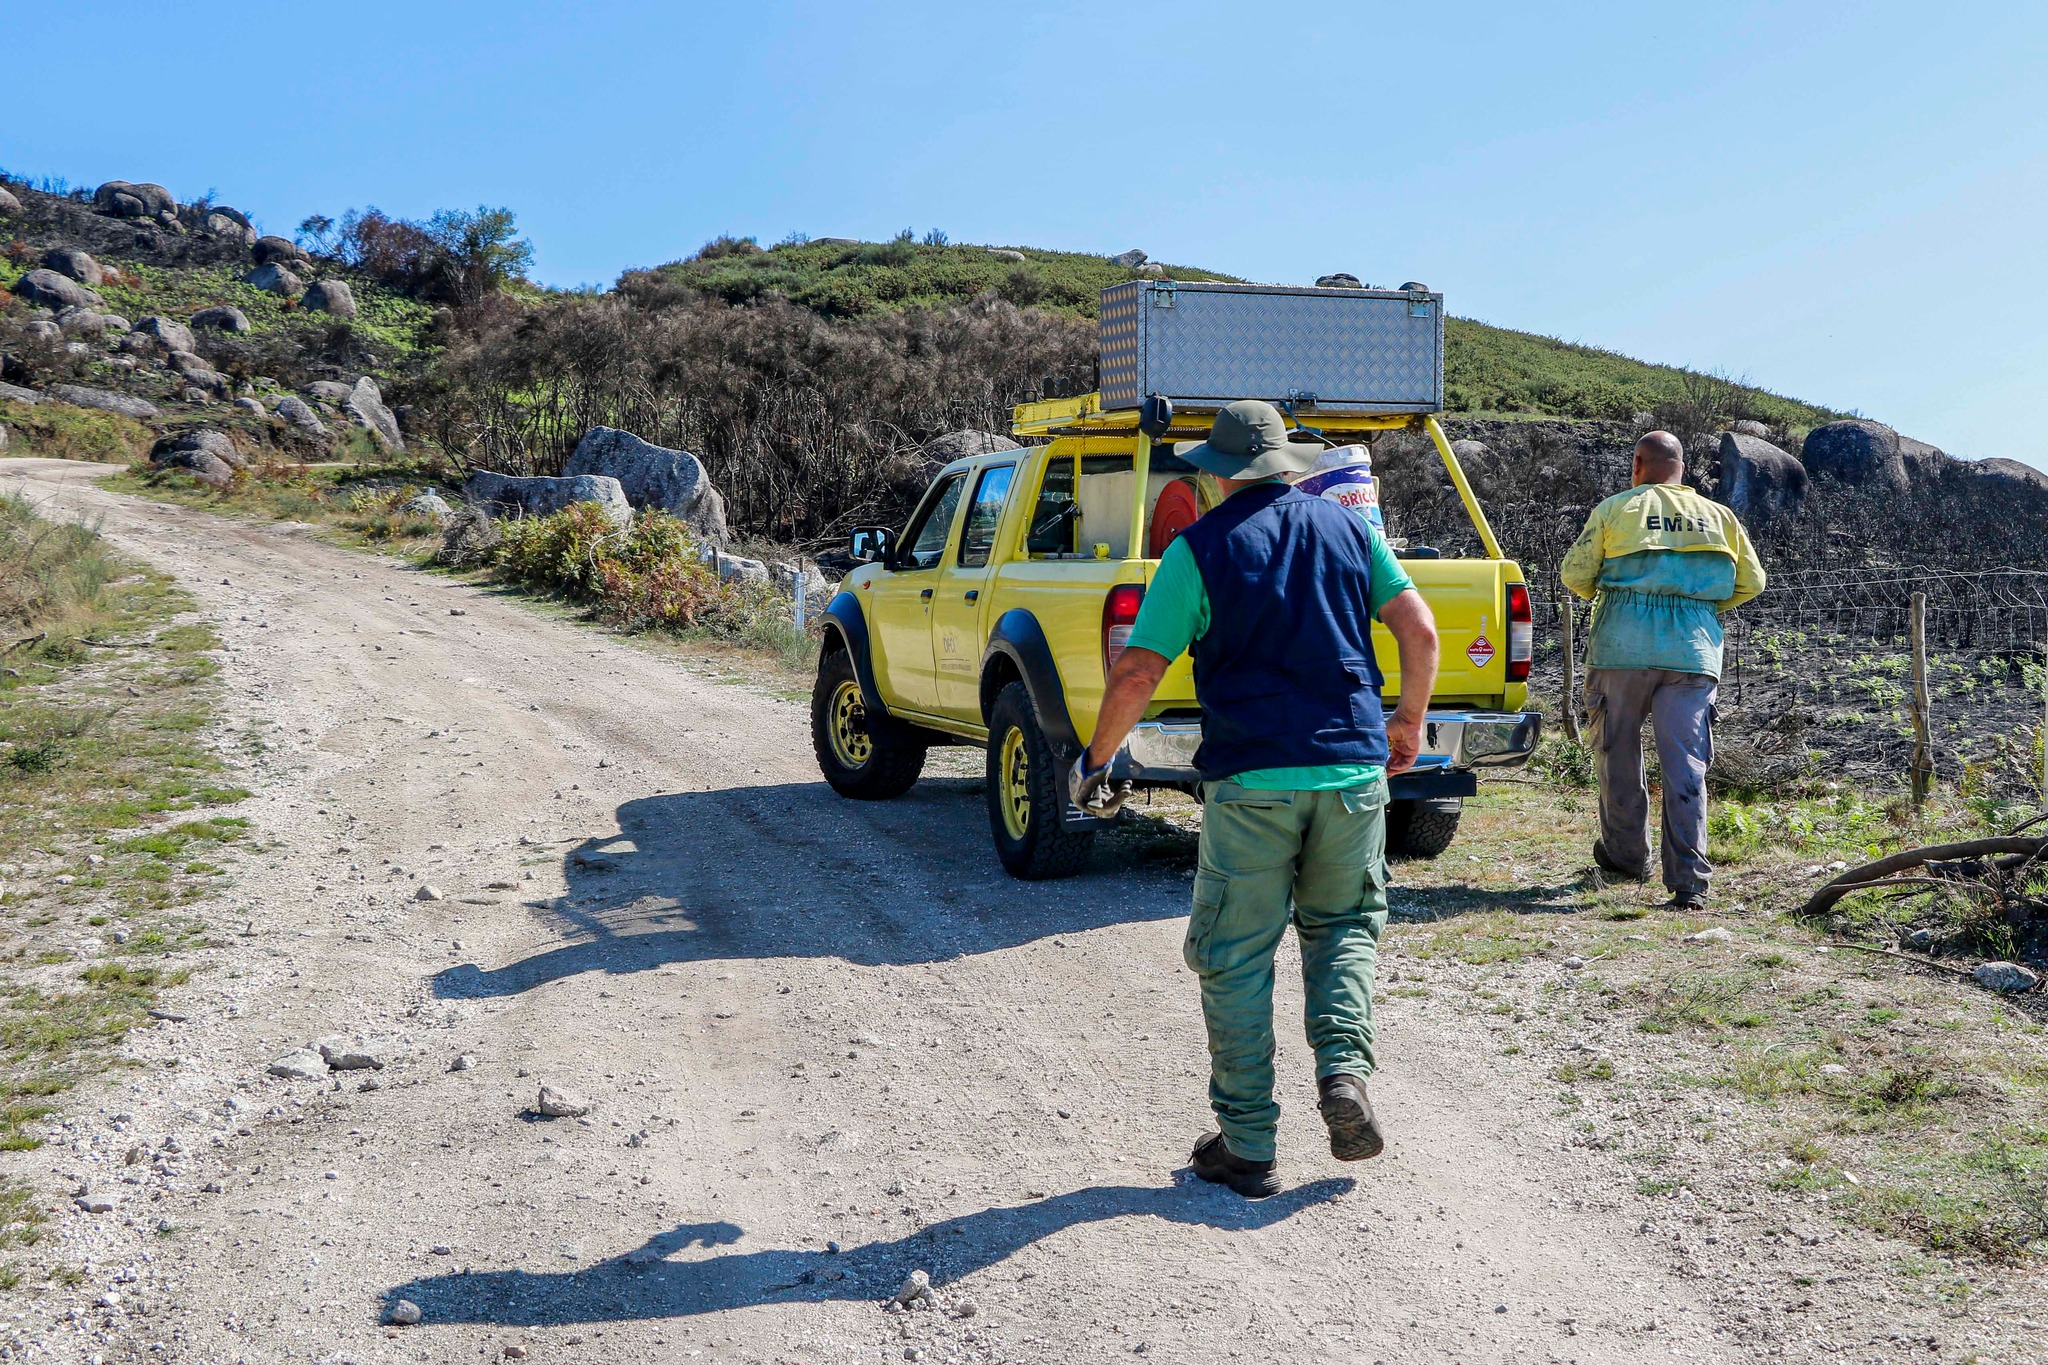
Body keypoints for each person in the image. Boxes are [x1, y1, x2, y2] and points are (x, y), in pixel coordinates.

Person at [1071, 400, 1440, 1199]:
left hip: (1253, 784)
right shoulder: (1351, 530)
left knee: (1235, 956)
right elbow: (1419, 628)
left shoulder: (1198, 550)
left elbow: (1139, 671)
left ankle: (1248, 1144)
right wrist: (1407, 721)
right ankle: (1343, 1076)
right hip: (1353, 774)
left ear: (1216, 475)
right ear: (1283, 468)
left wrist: (1096, 760)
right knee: (1343, 929)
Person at [1560, 430, 1766, 911]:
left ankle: (1627, 857)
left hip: (1621, 646)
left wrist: (1618, 599)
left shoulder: (1617, 509)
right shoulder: (1720, 516)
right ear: (1682, 469)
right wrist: (1700, 608)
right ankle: (1689, 883)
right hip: (1693, 651)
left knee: (1617, 753)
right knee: (1686, 766)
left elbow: (1575, 573)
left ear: (1637, 464)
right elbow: (1753, 581)